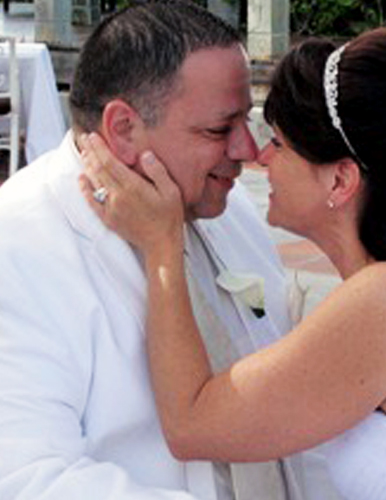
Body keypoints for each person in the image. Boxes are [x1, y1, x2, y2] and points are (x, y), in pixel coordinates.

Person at [80, 27, 386, 500]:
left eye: (279, 143)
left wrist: (161, 244)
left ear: (341, 180)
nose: (258, 157)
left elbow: (193, 425)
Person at [0, 1, 330, 499]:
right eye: (219, 130)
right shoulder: (18, 244)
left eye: (246, 121)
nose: (247, 150)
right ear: (124, 128)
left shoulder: (229, 207)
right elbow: (26, 478)